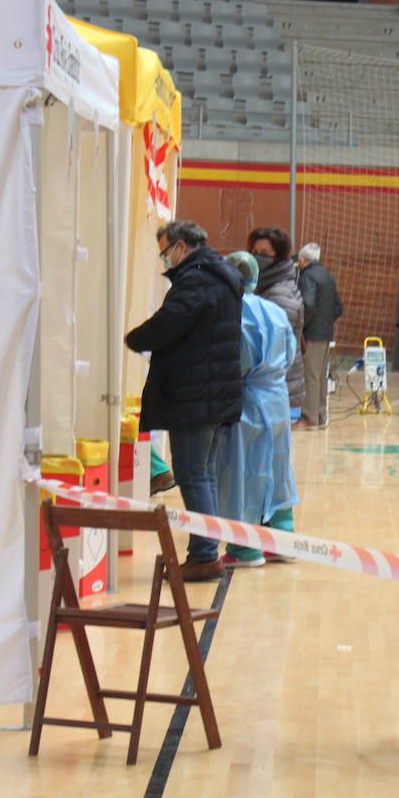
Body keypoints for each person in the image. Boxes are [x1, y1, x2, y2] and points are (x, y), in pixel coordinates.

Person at [125, 221, 243, 583]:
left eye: (165, 252)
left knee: (193, 476)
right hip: (213, 393)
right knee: (202, 476)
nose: (165, 260)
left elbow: (169, 323)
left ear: (180, 246)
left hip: (195, 395)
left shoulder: (197, 279)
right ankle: (205, 550)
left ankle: (205, 555)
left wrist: (134, 337)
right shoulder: (220, 275)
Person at [216, 252, 300, 567]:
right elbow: (290, 355)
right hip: (277, 398)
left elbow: (233, 359)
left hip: (246, 399)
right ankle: (282, 539)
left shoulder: (231, 312)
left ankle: (245, 548)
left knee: (243, 472)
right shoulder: (275, 312)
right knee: (279, 469)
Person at [247, 226, 306, 423]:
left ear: (278, 257)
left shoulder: (280, 293)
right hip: (269, 391)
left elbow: (276, 349)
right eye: (254, 253)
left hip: (277, 391)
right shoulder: (265, 287)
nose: (257, 257)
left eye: (264, 253)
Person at [296, 242, 343, 431]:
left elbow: (307, 304)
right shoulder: (327, 275)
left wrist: (302, 327)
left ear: (301, 260)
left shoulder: (307, 276)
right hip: (325, 334)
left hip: (312, 335)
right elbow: (338, 307)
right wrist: (325, 322)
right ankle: (321, 416)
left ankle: (309, 418)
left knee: (310, 377)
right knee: (320, 376)